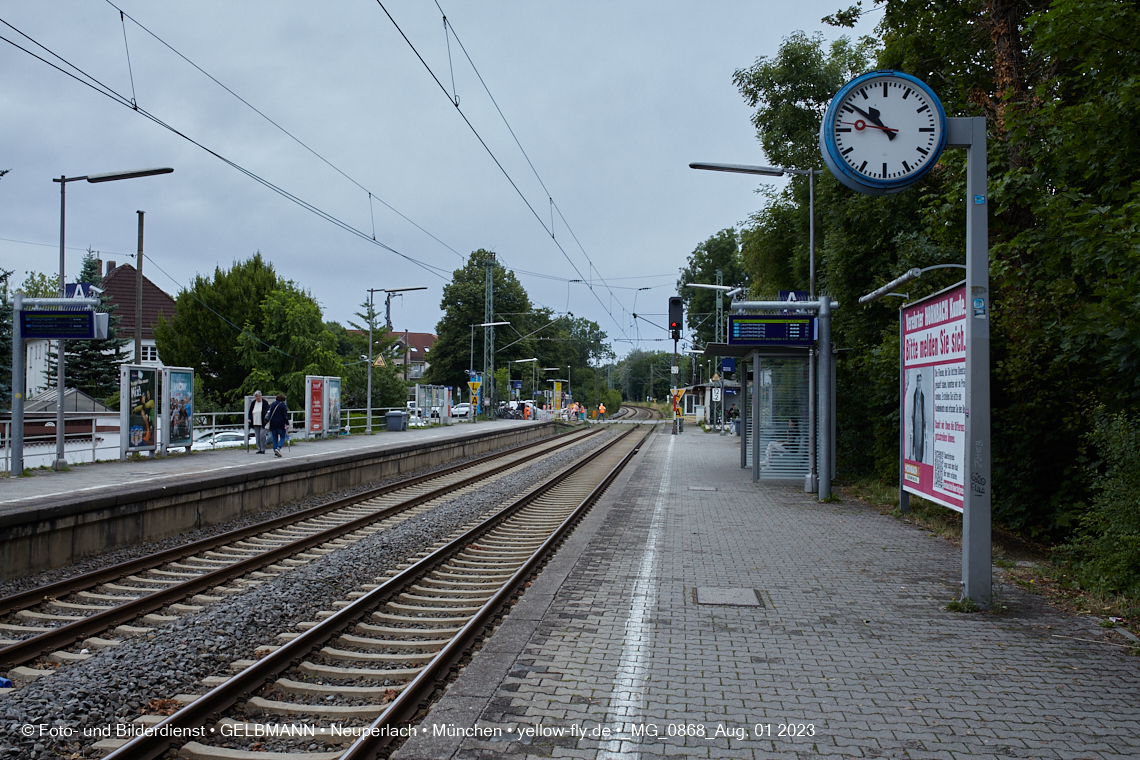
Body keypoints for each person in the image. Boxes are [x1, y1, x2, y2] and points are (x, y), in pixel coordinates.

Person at [266, 393, 290, 457]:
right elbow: (285, 415)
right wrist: (287, 424)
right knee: (282, 437)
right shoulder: (283, 405)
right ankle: (278, 448)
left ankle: (275, 451)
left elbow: (267, 412)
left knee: (274, 437)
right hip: (280, 423)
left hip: (272, 423)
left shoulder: (272, 404)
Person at [248, 390, 268, 454]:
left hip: (262, 422)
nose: (256, 398)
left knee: (262, 435)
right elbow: (250, 412)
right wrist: (249, 418)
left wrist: (266, 419)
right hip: (255, 422)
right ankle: (259, 448)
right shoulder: (253, 403)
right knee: (257, 436)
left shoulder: (264, 402)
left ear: (260, 396)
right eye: (255, 396)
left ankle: (263, 449)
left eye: (257, 396)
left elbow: (267, 412)